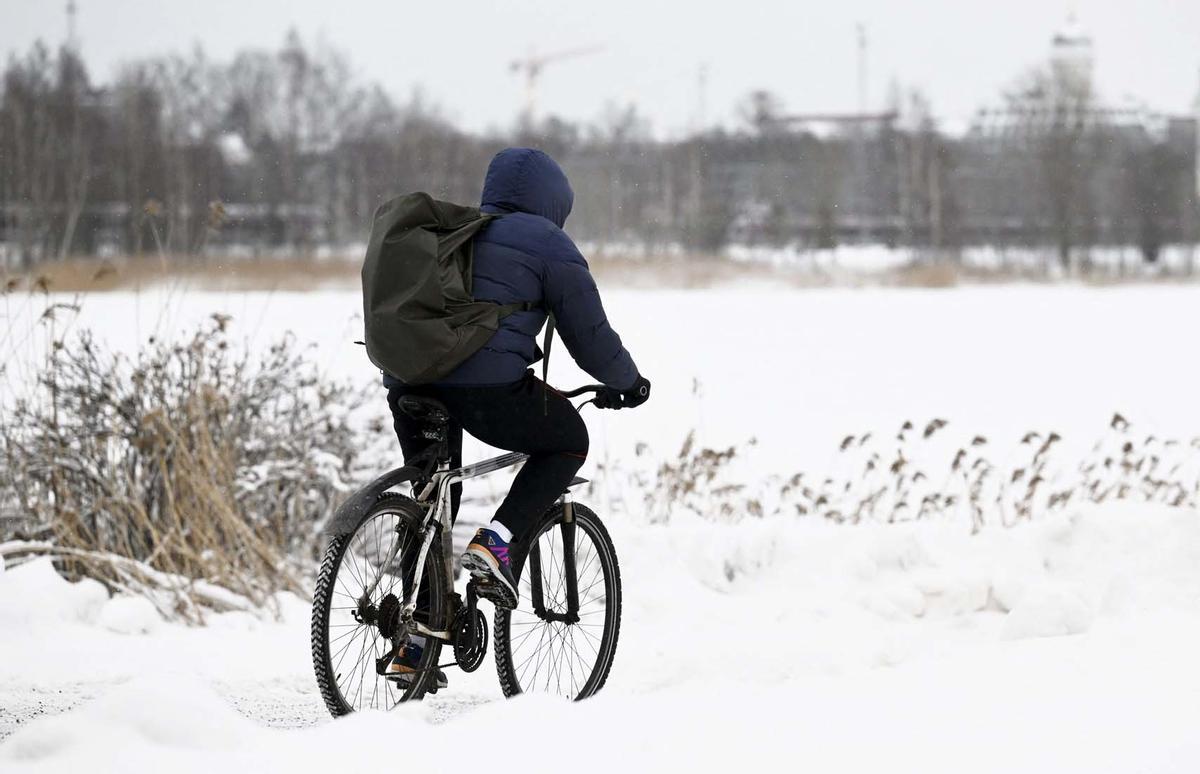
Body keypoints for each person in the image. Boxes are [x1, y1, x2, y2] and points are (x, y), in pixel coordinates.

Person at [384, 148, 650, 682]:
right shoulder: (548, 242)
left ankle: (415, 640)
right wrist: (629, 383)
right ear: (554, 201)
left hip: (410, 384)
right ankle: (498, 541)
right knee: (567, 439)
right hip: (487, 391)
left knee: (434, 494)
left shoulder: (456, 230)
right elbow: (589, 337)